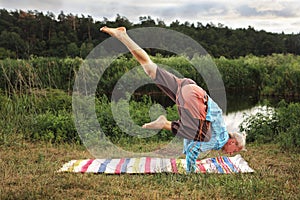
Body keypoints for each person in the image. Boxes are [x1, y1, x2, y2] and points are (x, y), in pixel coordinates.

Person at [100, 26, 247, 173]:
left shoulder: (216, 125)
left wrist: (185, 149)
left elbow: (191, 140)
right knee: (201, 135)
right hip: (194, 97)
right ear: (232, 142)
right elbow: (194, 149)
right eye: (234, 150)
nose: (231, 153)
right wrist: (191, 171)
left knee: (150, 68)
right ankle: (164, 123)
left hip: (188, 87)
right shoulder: (220, 139)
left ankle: (122, 36)